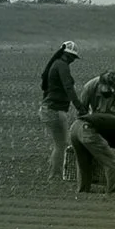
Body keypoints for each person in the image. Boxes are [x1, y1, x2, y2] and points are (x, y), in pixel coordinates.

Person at [40, 41, 83, 181]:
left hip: (49, 109)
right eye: (72, 57)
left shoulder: (56, 64)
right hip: (55, 110)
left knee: (59, 144)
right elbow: (68, 88)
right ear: (67, 55)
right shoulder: (62, 66)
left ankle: (54, 171)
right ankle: (55, 175)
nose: (72, 61)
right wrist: (80, 107)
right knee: (61, 144)